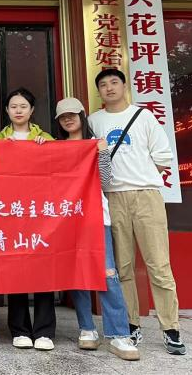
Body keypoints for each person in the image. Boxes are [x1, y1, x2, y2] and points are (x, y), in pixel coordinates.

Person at [88, 68, 186, 355]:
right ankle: (131, 324)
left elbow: (163, 157)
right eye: (103, 84)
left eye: (114, 82)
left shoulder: (144, 116)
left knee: (159, 264)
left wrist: (141, 177)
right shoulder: (94, 121)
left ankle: (171, 328)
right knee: (123, 266)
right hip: (112, 198)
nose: (109, 88)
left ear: (124, 86)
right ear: (99, 91)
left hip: (146, 196)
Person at [53, 97, 139, 361]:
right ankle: (87, 328)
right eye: (62, 117)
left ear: (82, 116)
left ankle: (119, 334)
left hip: (95, 217)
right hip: (66, 219)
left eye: (72, 114)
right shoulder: (56, 148)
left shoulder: (96, 144)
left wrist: (102, 153)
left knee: (108, 273)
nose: (68, 119)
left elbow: (105, 181)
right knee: (77, 272)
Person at [0, 87, 55, 351]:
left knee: (43, 269)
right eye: (13, 106)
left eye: (23, 106)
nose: (18, 110)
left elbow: (58, 172)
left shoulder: (46, 138)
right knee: (15, 269)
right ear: (7, 111)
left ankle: (44, 331)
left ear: (32, 110)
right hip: (10, 214)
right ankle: (19, 330)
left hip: (39, 215)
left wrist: (46, 149)